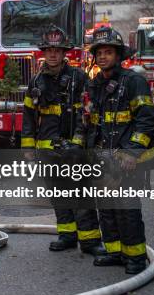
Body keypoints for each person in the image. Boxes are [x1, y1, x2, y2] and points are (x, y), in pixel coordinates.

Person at [21, 26, 104, 255]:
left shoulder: (79, 78)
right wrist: (28, 147)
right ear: (43, 53)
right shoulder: (36, 82)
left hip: (74, 148)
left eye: (57, 50)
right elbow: (29, 117)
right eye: (49, 50)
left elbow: (88, 113)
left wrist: (78, 141)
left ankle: (90, 241)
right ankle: (67, 235)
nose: (53, 54)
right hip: (47, 149)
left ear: (64, 52)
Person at [86, 27, 154, 274]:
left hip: (127, 157)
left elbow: (147, 119)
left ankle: (136, 257)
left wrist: (132, 152)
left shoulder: (134, 81)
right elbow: (94, 122)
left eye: (109, 52)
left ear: (118, 55)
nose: (103, 57)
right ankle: (116, 252)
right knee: (106, 208)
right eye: (100, 53)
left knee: (126, 208)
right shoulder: (96, 84)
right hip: (104, 158)